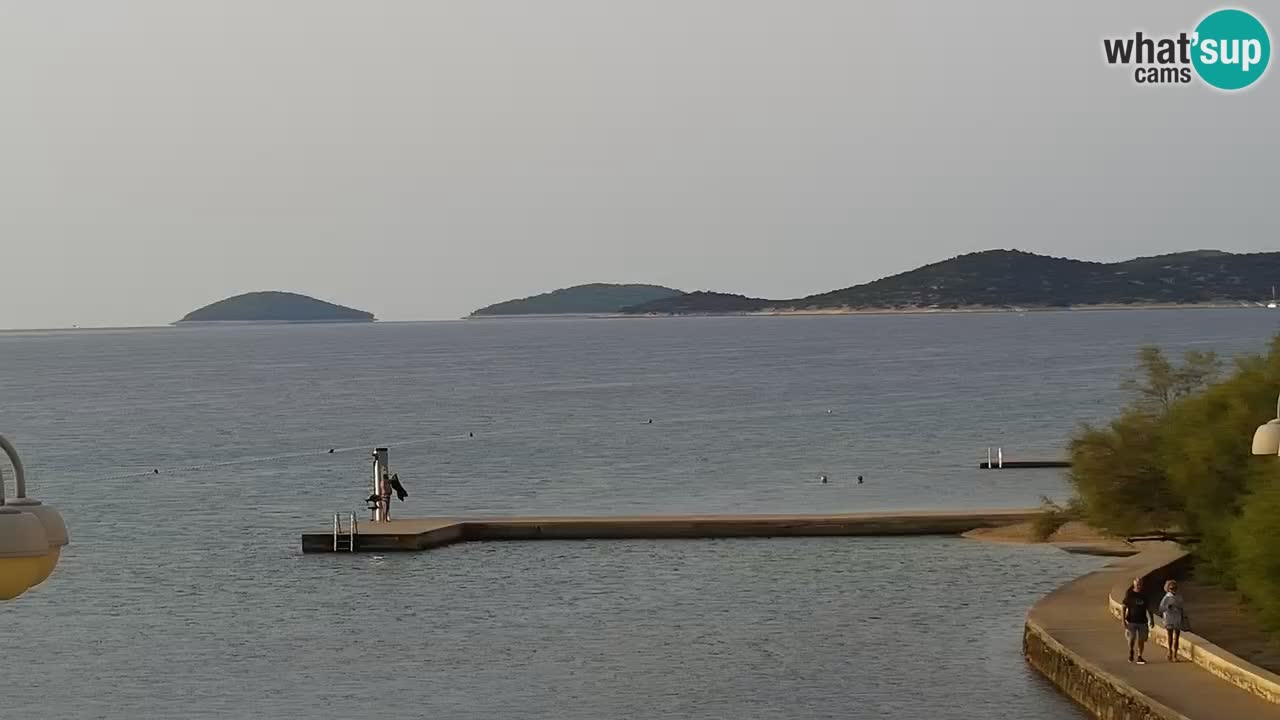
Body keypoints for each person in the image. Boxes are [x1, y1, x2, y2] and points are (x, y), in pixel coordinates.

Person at [1123, 577, 1155, 664]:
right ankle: (1131, 651)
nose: (1138, 586)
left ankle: (1140, 656)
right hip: (1131, 620)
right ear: (1134, 584)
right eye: (1137, 584)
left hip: (1142, 621)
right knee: (1132, 638)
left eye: (1140, 584)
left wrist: (1151, 620)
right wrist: (1123, 620)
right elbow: (1124, 607)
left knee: (1141, 640)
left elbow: (1149, 608)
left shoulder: (1145, 595)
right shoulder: (1129, 594)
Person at [1159, 579, 1187, 662]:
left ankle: (1175, 654)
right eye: (1171, 588)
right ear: (1168, 589)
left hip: (1177, 618)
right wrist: (1168, 607)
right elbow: (1161, 608)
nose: (1173, 590)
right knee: (1170, 636)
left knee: (1177, 637)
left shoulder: (1179, 597)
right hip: (1169, 618)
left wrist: (1183, 617)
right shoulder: (1166, 597)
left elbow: (1182, 607)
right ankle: (1170, 651)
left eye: (1174, 588)